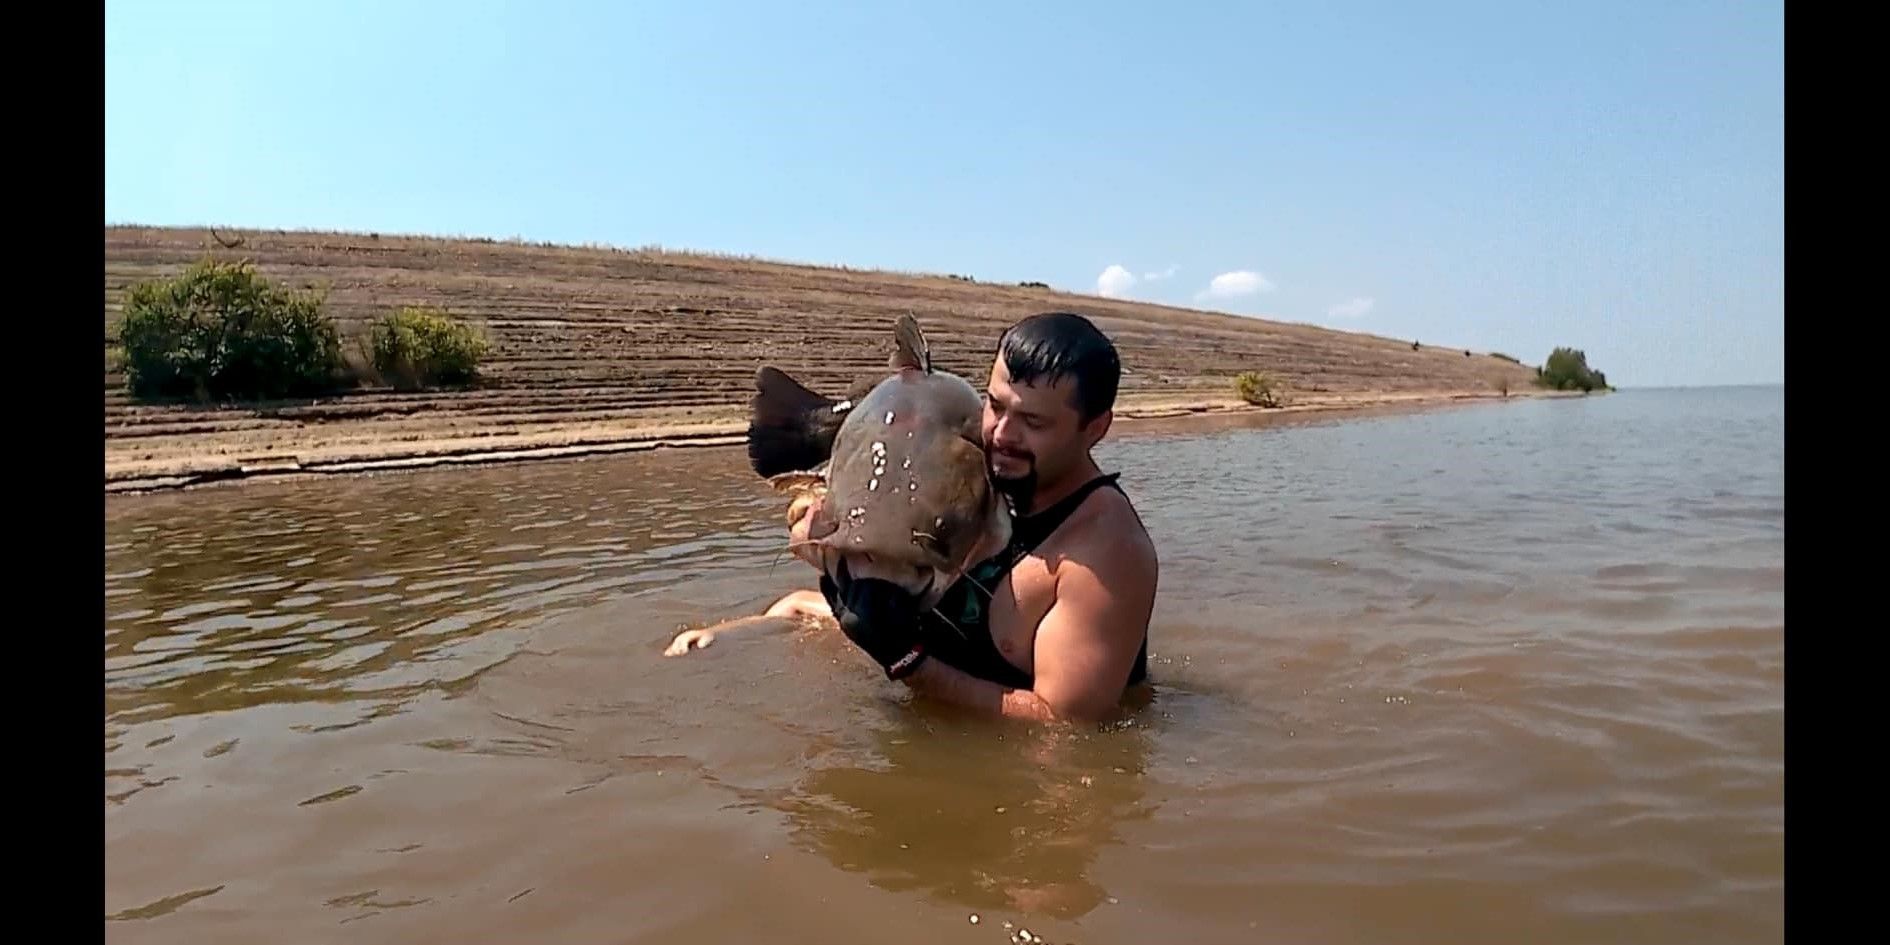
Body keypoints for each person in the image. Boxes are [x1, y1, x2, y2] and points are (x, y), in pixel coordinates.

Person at [768, 312, 1159, 724]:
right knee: (783, 611)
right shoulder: (992, 464)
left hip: (1005, 753)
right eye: (995, 405)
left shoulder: (1107, 552)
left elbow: (1065, 726)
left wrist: (907, 663)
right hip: (923, 705)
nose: (1002, 435)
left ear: (1095, 428)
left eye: (1033, 422)